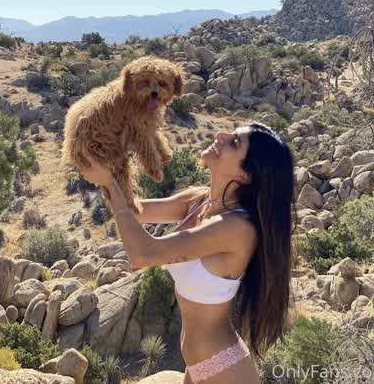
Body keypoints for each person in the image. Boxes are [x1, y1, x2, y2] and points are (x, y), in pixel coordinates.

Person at [76, 121, 296, 384]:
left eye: (234, 143)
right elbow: (132, 210)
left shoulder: (236, 228)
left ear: (244, 176)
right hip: (198, 362)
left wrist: (110, 183)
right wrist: (113, 165)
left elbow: (142, 254)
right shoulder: (199, 200)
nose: (220, 135)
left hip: (223, 365)